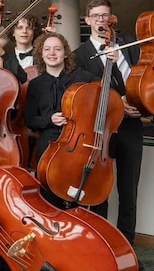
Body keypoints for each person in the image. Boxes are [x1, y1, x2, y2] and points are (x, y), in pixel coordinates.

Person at [72, 0, 144, 254]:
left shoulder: (128, 45)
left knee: (128, 190)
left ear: (112, 18)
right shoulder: (79, 55)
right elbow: (87, 90)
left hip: (131, 126)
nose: (102, 20)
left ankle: (126, 249)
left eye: (106, 15)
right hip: (100, 128)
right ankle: (100, 248)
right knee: (99, 190)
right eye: (97, 16)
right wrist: (116, 102)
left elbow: (141, 77)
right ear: (88, 20)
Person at [23, 33, 98, 208]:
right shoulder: (36, 84)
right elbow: (30, 120)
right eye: (47, 49)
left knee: (75, 193)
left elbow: (104, 92)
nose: (52, 53)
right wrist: (49, 120)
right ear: (41, 54)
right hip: (49, 144)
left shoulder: (82, 77)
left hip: (77, 143)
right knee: (48, 193)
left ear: (65, 53)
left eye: (57, 49)